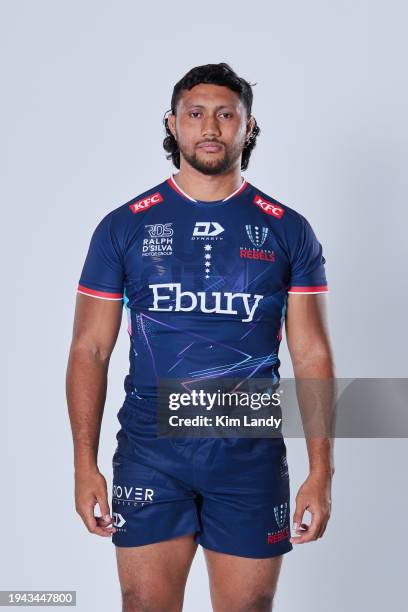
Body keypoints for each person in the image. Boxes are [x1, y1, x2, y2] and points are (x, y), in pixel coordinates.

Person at [66, 62, 335, 612]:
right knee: (144, 604)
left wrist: (322, 472)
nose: (210, 126)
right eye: (195, 114)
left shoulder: (288, 229)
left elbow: (311, 352)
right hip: (150, 453)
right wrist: (83, 463)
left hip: (249, 455)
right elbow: (89, 349)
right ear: (173, 124)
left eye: (225, 114)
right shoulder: (124, 226)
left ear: (248, 126)